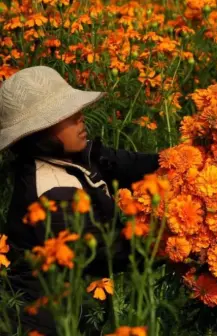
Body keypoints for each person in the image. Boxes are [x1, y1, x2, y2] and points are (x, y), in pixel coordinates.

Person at [0, 66, 160, 335]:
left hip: (80, 307)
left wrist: (182, 159)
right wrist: (169, 239)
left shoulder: (76, 155)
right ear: (39, 132)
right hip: (47, 321)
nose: (80, 118)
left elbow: (130, 164)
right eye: (67, 116)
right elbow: (106, 254)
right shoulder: (51, 189)